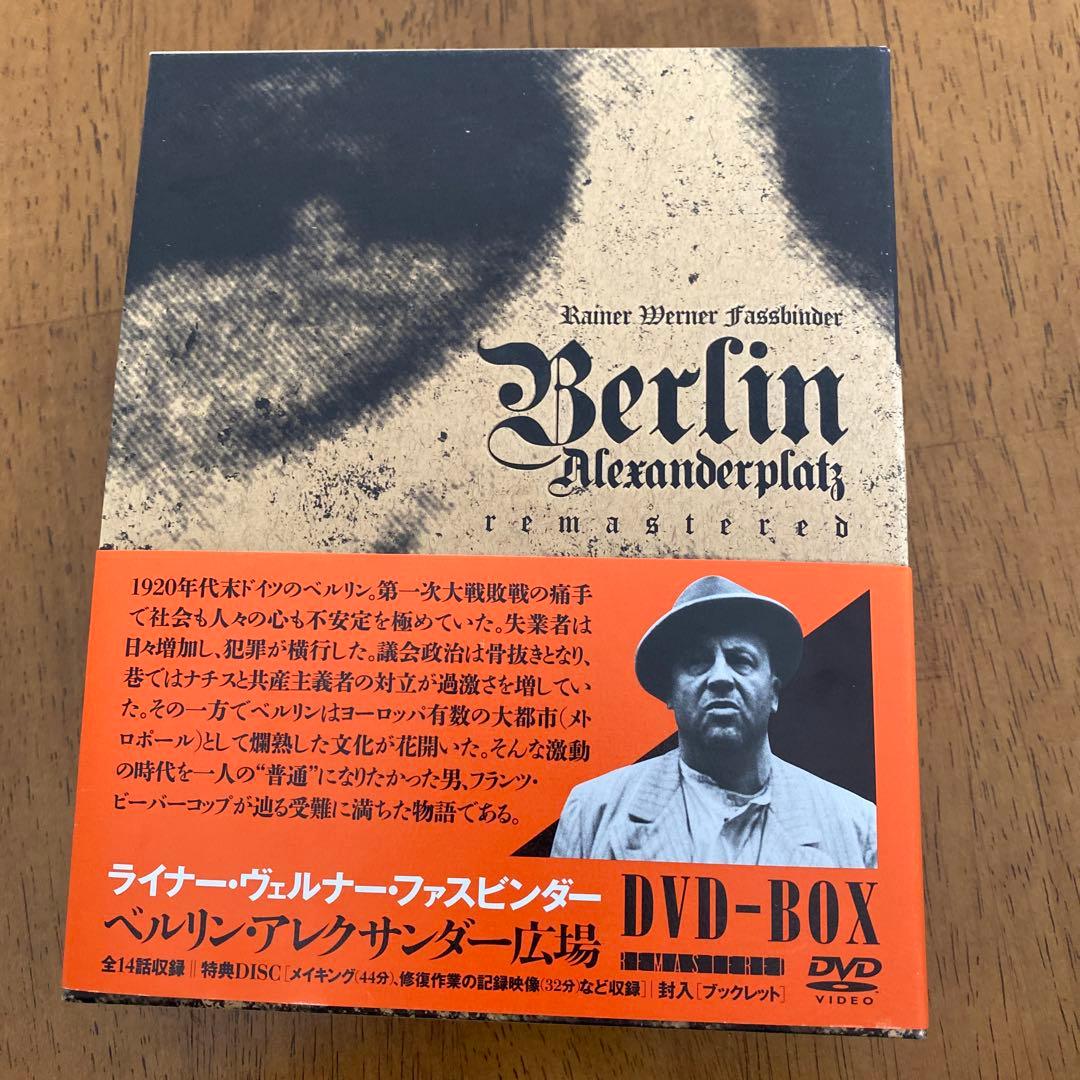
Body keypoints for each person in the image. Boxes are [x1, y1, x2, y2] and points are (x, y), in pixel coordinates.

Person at [551, 575, 877, 868]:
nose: (720, 677)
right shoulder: (592, 811)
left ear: (774, 693)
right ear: (670, 693)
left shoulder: (858, 826)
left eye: (741, 660)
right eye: (697, 661)